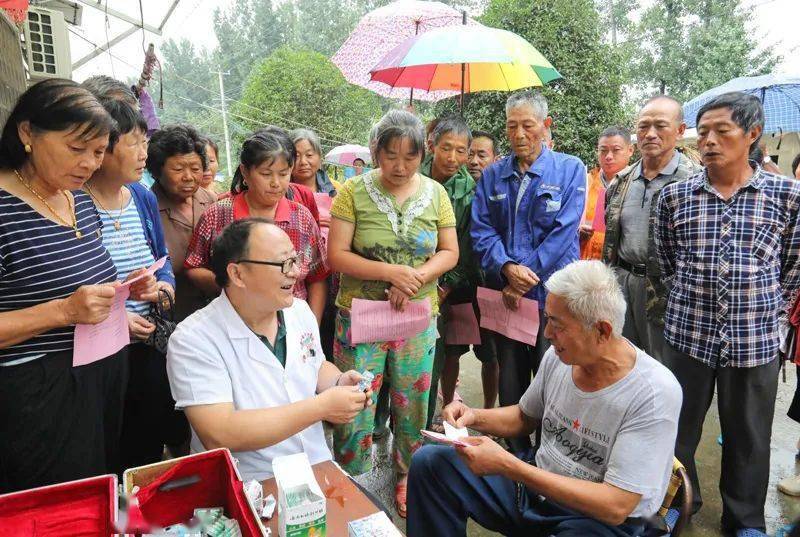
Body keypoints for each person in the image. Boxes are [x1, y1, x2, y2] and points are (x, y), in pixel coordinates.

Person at [406, 260, 682, 537]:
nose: (547, 334)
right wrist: (474, 415)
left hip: (598, 522)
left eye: (557, 324)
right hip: (536, 491)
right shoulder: (561, 357)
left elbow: (616, 505)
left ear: (602, 331)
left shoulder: (653, 393)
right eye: (548, 319)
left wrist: (509, 465)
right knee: (432, 464)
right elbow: (525, 417)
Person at [655, 92, 800, 536]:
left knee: (749, 440)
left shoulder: (787, 196)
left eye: (722, 131)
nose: (709, 141)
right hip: (687, 337)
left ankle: (743, 521)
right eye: (703, 133)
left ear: (752, 135)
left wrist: (765, 309)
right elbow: (666, 265)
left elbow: (793, 268)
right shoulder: (676, 198)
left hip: (754, 342)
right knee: (676, 433)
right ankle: (679, 504)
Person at [0, 79, 154, 492]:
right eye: (76, 148)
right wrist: (64, 312)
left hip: (101, 369)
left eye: (99, 151)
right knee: (53, 505)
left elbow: (80, 278)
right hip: (37, 392)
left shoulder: (78, 200)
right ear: (27, 133)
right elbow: (65, 301)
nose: (89, 163)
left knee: (99, 488)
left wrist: (124, 289)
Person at [328, 109, 458, 517]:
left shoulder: (437, 194)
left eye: (410, 156)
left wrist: (415, 279)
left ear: (424, 153)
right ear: (375, 152)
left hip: (416, 318)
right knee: (355, 399)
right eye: (390, 155)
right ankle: (350, 480)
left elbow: (450, 252)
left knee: (413, 401)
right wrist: (392, 273)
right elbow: (337, 255)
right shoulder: (352, 192)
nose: (399, 166)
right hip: (361, 316)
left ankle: (407, 475)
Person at [167, 218, 370, 481]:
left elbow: (315, 363)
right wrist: (321, 407)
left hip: (316, 466)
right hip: (251, 481)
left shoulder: (298, 311)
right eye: (283, 263)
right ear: (237, 274)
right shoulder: (193, 339)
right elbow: (220, 433)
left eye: (295, 260)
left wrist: (337, 381)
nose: (295, 272)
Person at [471, 90, 586, 454]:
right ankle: (516, 451)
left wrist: (524, 277)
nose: (519, 134)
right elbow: (481, 229)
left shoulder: (570, 170)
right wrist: (506, 268)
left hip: (551, 296)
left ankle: (553, 455)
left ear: (545, 126)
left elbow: (564, 232)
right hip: (508, 298)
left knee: (557, 374)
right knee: (512, 377)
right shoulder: (493, 176)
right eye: (512, 126)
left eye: (527, 126)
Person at [84, 98, 188, 470]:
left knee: (147, 439)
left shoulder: (141, 196)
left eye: (146, 142)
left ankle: (140, 516)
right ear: (103, 147)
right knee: (111, 443)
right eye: (134, 143)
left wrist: (161, 289)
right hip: (100, 350)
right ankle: (119, 519)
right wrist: (116, 319)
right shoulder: (76, 201)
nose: (144, 154)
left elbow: (163, 264)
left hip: (148, 341)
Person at [185, 129, 329, 322]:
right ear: (245, 172)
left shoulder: (302, 218)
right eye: (266, 174)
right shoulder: (218, 214)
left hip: (292, 324)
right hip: (231, 321)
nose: (276, 183)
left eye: (283, 174)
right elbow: (193, 267)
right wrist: (232, 282)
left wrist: (312, 326)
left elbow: (317, 276)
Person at [602, 96, 700, 362]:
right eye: (643, 126)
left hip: (668, 292)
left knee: (664, 366)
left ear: (680, 131)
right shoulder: (621, 182)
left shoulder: (696, 183)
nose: (650, 134)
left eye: (660, 126)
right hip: (622, 283)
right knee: (620, 361)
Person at [418, 115, 479, 428]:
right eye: (446, 148)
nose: (453, 158)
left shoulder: (468, 193)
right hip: (402, 281)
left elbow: (466, 247)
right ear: (431, 145)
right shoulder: (411, 174)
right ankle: (381, 418)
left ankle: (424, 421)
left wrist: (445, 287)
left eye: (460, 151)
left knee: (433, 355)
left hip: (441, 289)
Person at [148, 124, 217, 322]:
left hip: (215, 313)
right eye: (178, 169)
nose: (188, 177)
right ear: (157, 171)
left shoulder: (212, 201)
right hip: (173, 318)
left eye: (195, 168)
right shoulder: (147, 209)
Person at [465, 130, 501, 410]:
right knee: (451, 350)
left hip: (489, 282)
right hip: (458, 285)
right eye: (470, 153)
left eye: (482, 155)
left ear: (495, 159)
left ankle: (489, 411)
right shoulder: (453, 189)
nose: (473, 161)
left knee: (491, 355)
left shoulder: (498, 193)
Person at [580, 127, 634, 260]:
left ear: (630, 150)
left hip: (620, 266)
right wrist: (577, 230)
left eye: (616, 150)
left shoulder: (637, 185)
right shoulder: (584, 182)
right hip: (584, 262)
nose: (609, 156)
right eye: (603, 151)